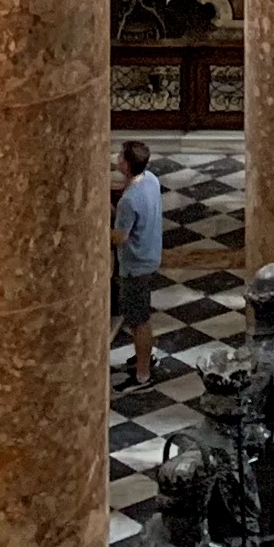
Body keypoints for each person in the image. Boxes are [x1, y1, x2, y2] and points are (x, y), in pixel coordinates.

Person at [114, 141, 167, 388]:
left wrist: (95, 230)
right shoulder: (151, 180)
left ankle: (142, 375)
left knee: (138, 320)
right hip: (150, 254)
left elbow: (121, 236)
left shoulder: (128, 201)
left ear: (126, 165)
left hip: (135, 265)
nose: (116, 158)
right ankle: (145, 356)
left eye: (120, 156)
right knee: (140, 315)